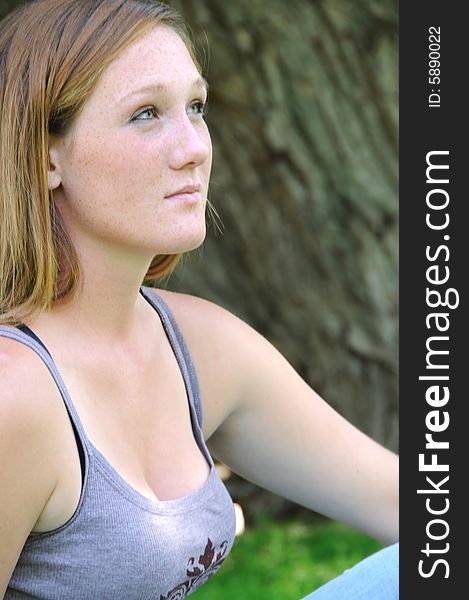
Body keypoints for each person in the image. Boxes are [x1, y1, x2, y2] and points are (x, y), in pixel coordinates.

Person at [0, 1, 398, 598]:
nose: (194, 147)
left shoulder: (200, 346)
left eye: (196, 107)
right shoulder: (17, 396)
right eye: (145, 114)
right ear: (45, 156)